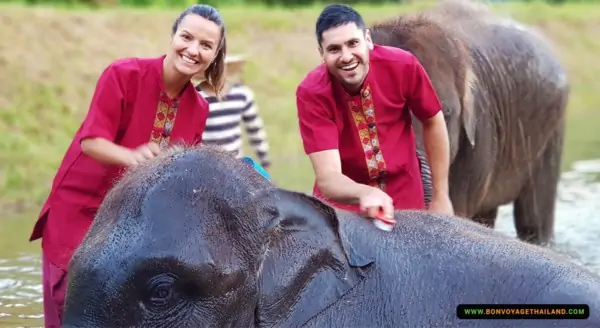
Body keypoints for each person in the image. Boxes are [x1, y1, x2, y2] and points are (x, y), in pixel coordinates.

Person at [27, 4, 227, 327]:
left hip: (132, 224)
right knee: (68, 305)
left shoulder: (199, 107)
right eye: (186, 37)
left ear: (216, 54)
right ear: (173, 35)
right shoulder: (123, 74)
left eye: (206, 46)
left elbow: (182, 172)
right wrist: (133, 158)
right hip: (79, 209)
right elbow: (91, 142)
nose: (193, 50)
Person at [296, 4, 454, 222]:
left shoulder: (403, 66)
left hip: (407, 200)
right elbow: (329, 178)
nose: (346, 56)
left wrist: (441, 195)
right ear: (322, 54)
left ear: (368, 40)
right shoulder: (312, 93)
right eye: (334, 49)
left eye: (353, 43)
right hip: (343, 212)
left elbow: (432, 119)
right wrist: (366, 193)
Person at [194, 55, 271, 171]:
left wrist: (264, 160)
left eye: (219, 67)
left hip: (236, 164)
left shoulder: (241, 94)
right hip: (206, 167)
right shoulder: (196, 97)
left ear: (226, 68)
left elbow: (254, 129)